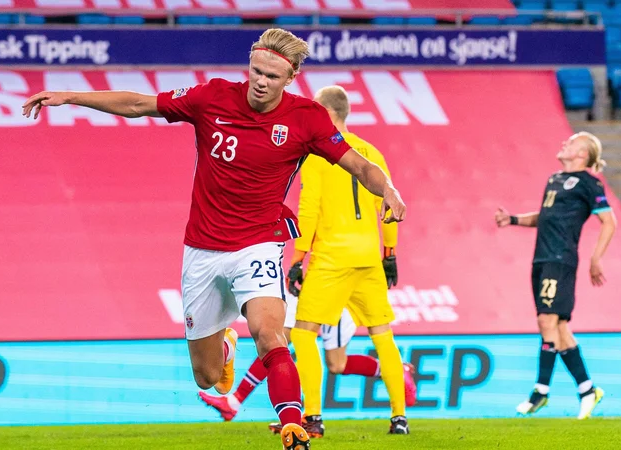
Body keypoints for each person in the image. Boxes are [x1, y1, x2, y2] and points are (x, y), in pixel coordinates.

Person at [22, 28, 406, 450]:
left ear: (291, 77)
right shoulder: (213, 97)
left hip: (259, 244)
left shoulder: (306, 118)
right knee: (208, 379)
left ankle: (294, 425)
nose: (261, 81)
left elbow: (358, 165)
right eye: (256, 70)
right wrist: (71, 97)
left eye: (273, 77)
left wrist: (387, 189)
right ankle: (225, 343)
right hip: (202, 251)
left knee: (269, 333)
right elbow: (138, 104)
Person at [287, 85, 410, 435]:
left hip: (332, 257)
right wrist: (390, 255)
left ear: (326, 114)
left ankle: (312, 417)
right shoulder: (371, 152)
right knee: (382, 333)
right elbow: (388, 205)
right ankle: (399, 418)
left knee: (304, 334)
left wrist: (298, 257)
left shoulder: (316, 155)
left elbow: (307, 208)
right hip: (368, 257)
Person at [495, 132, 616, 420]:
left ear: (582, 155)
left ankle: (540, 392)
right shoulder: (554, 179)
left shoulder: (589, 183)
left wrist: (595, 258)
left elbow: (609, 222)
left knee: (546, 320)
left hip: (560, 260)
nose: (565, 143)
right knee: (559, 329)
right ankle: (588, 390)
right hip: (541, 259)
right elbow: (544, 216)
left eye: (572, 142)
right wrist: (513, 219)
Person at [197, 294, 417, 434]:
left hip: (335, 289)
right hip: (312, 284)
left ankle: (311, 418)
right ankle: (236, 402)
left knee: (291, 346)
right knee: (281, 343)